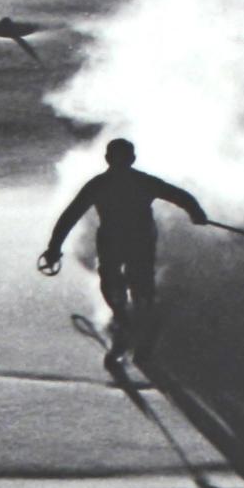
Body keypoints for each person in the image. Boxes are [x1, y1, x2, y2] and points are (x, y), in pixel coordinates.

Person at [40, 139, 207, 357]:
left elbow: (69, 216)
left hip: (128, 240)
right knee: (122, 283)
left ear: (112, 159)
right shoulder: (138, 182)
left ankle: (133, 325)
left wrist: (54, 248)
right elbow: (181, 196)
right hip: (125, 240)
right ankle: (127, 323)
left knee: (129, 284)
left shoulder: (103, 184)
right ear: (129, 159)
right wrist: (196, 213)